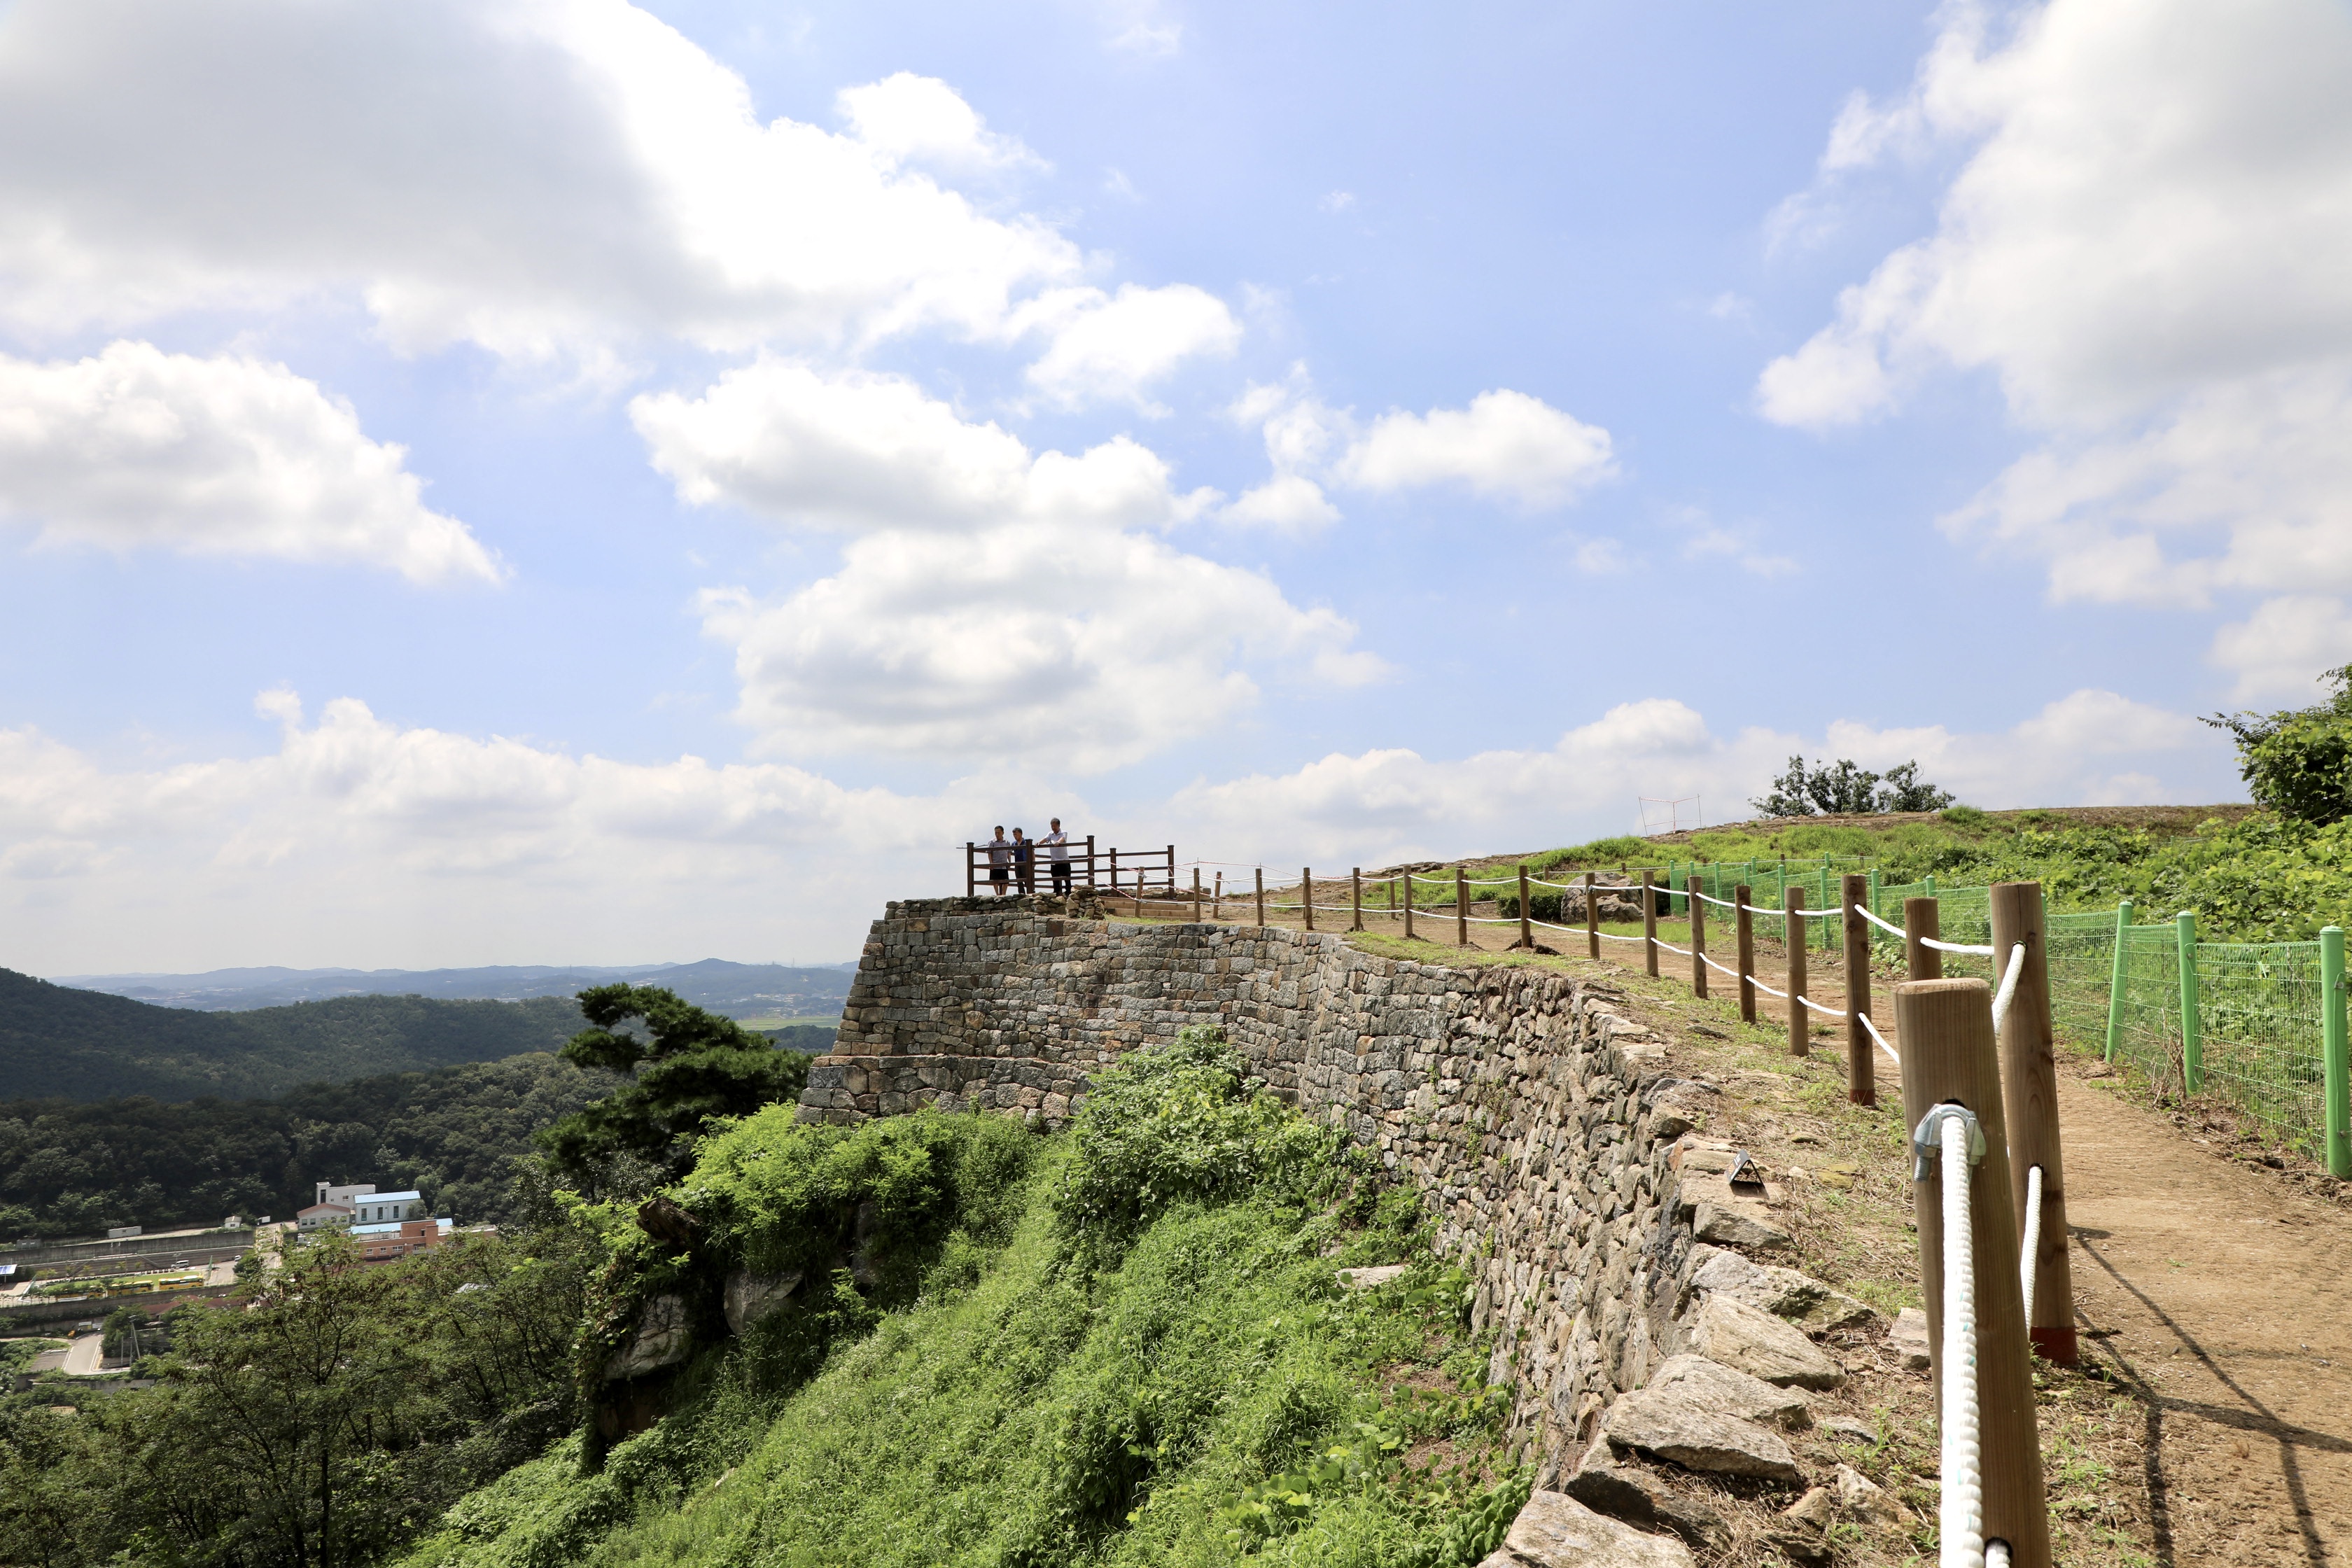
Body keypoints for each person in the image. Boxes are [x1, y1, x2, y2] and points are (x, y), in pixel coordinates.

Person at [1040, 818, 1072, 895]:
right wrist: (1039, 843)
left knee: (1067, 878)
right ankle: (1057, 894)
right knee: (1055, 878)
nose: (1053, 828)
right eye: (1052, 826)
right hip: (1054, 861)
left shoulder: (1064, 832)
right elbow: (1045, 839)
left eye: (1054, 826)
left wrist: (1058, 842)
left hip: (1064, 860)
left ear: (1058, 825)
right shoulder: (1050, 834)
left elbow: (1063, 839)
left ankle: (1068, 893)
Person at [985, 827, 1013, 895]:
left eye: (999, 833)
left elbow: (1009, 852)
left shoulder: (1007, 842)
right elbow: (989, 853)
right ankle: (997, 894)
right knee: (995, 881)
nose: (997, 834)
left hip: (1004, 864)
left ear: (1003, 833)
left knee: (1006, 881)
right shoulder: (992, 842)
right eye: (996, 833)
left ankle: (1004, 894)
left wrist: (1010, 862)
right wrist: (991, 863)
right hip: (995, 864)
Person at [1011, 827, 1035, 894]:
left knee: (1027, 879)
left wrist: (1033, 861)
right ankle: (1021, 894)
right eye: (1014, 835)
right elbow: (1009, 851)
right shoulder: (1014, 844)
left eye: (1016, 834)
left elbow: (1032, 852)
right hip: (1017, 863)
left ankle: (1030, 892)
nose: (1015, 836)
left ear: (1021, 834)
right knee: (1019, 880)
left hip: (1025, 863)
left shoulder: (1026, 842)